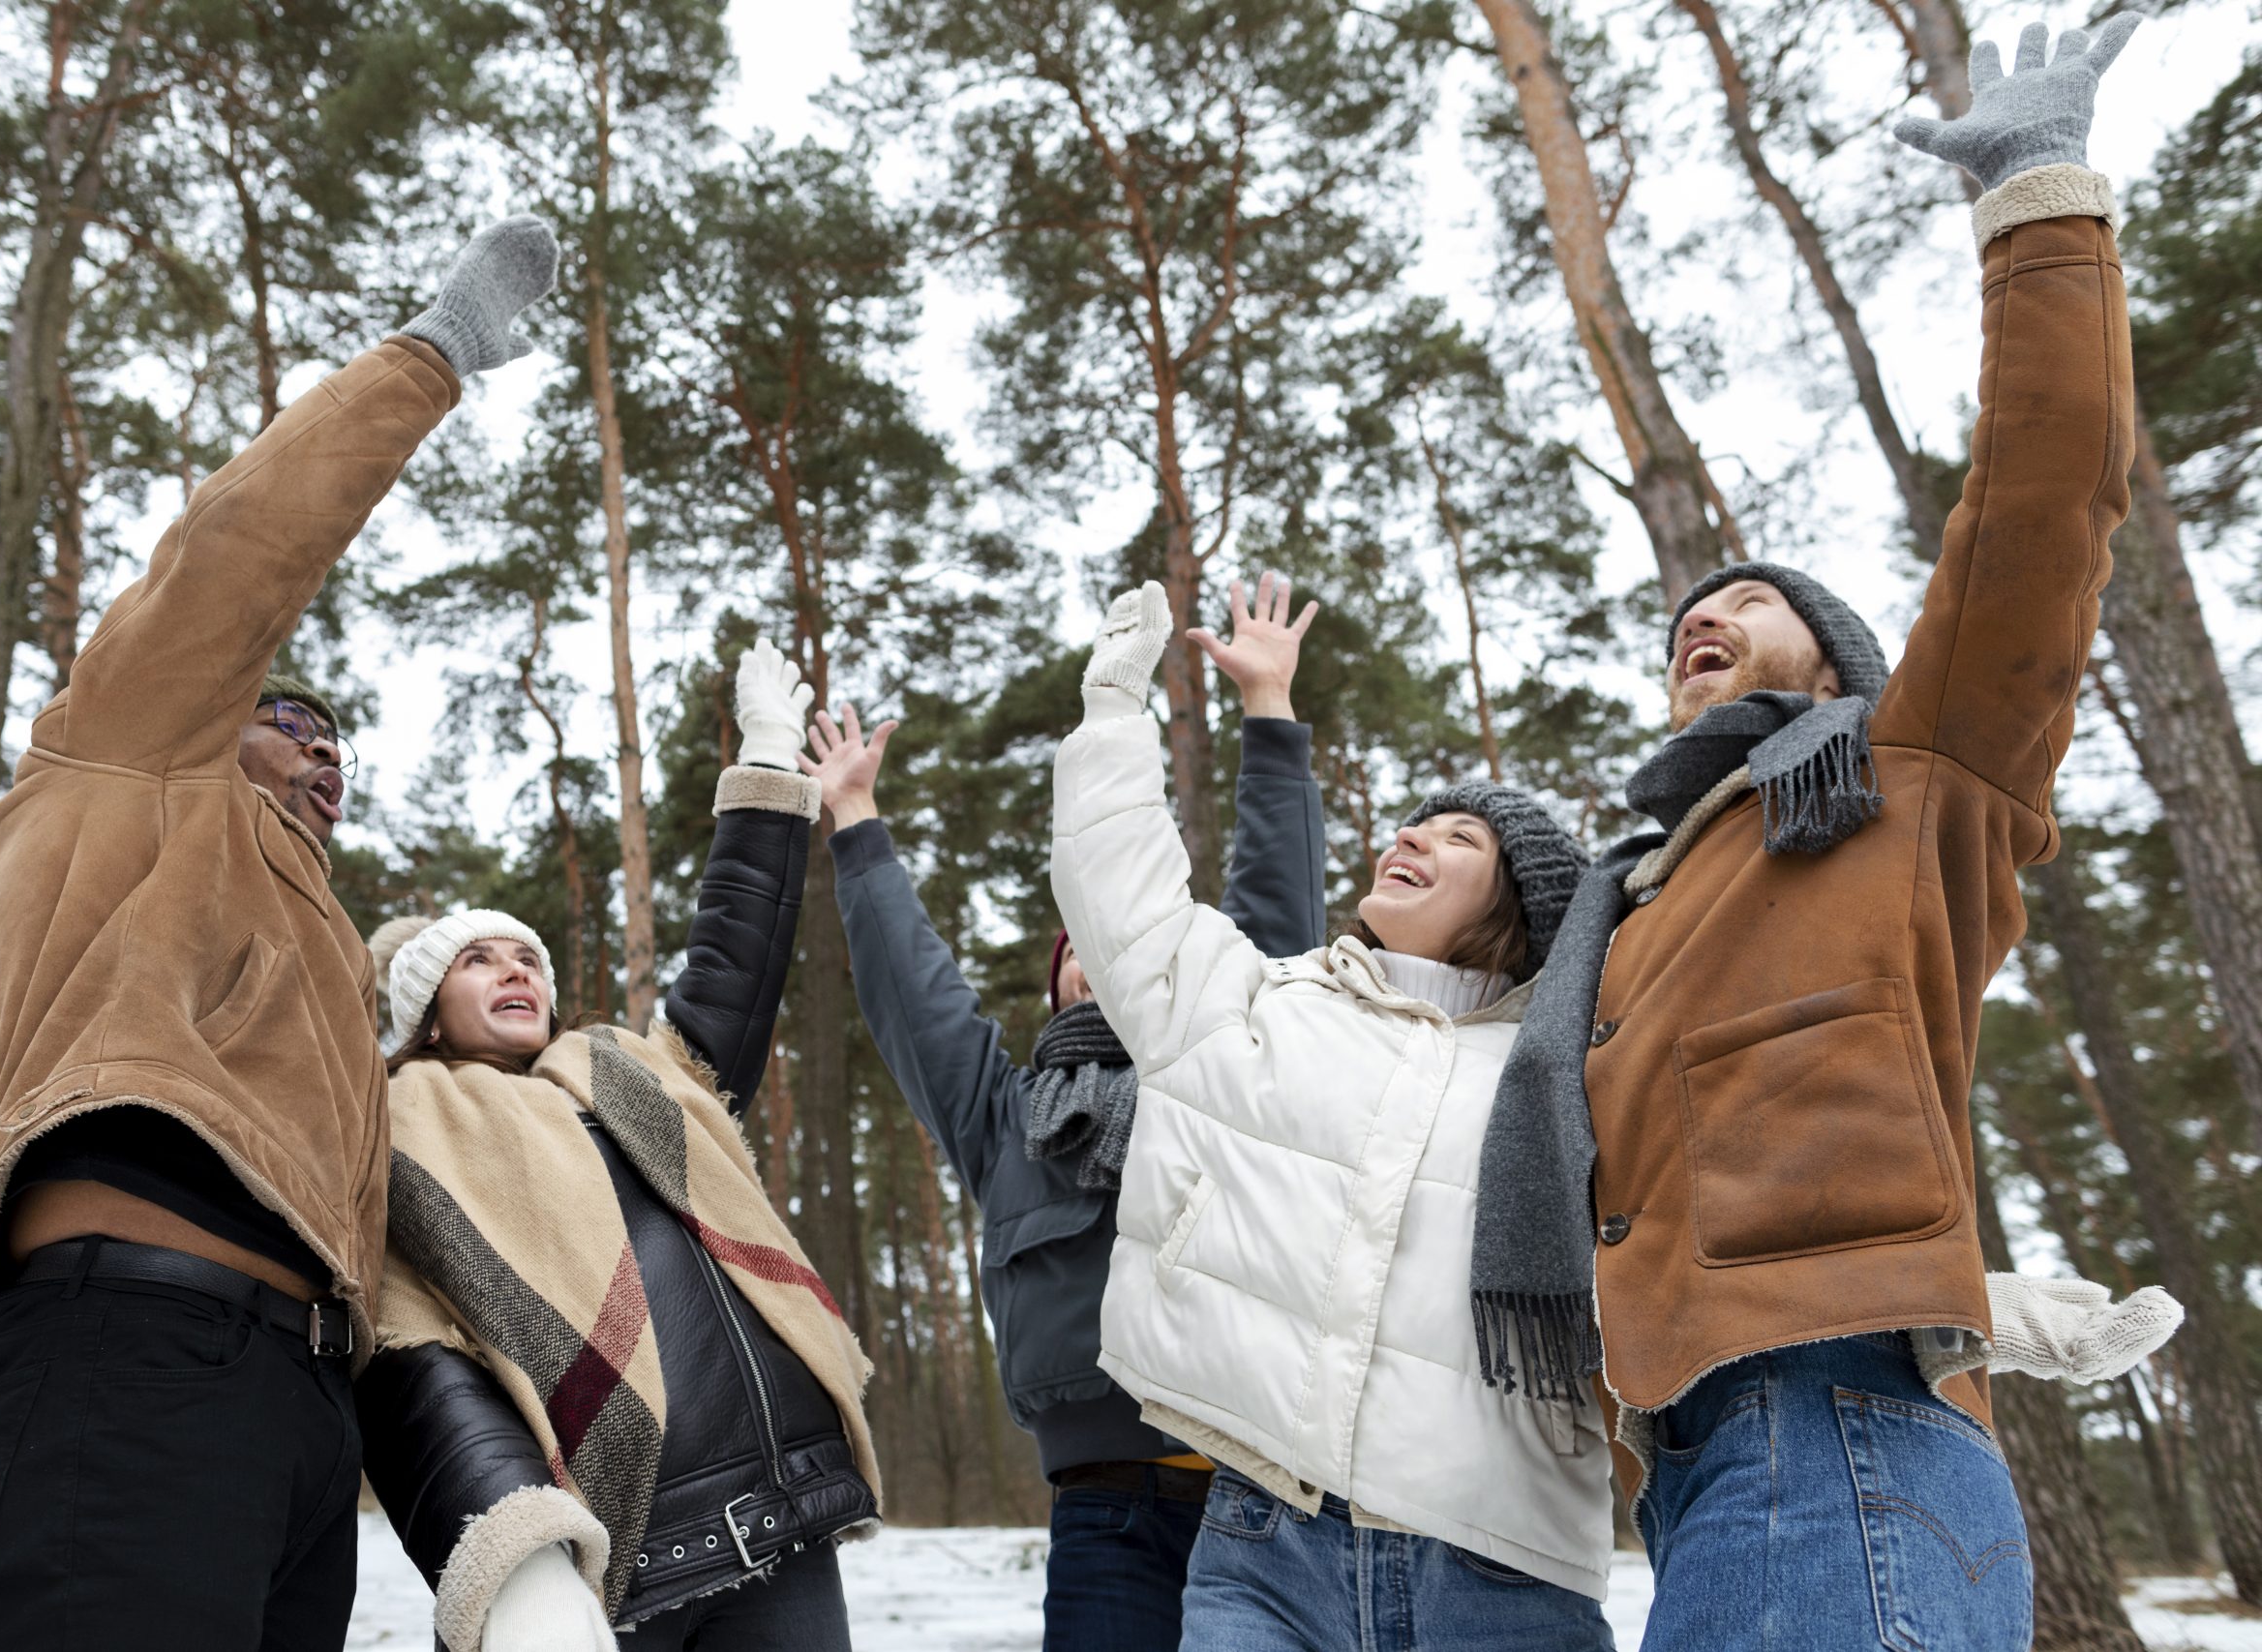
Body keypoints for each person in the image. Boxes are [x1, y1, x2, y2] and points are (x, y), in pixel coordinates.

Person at [1457, 17, 2150, 1649]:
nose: (1702, 624)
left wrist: (2040, 204)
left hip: (1843, 1435)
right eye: (1683, 623)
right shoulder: (1624, 909)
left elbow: (2047, 507)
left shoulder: (1915, 771)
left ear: (1839, 661)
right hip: (1709, 1464)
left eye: (1746, 603)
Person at [0, 217, 560, 1651]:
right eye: (288, 719)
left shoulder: (314, 944)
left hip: (298, 1414)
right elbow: (234, 557)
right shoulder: (127, 769)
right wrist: (426, 362)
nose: (323, 753)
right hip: (123, 1363)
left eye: (340, 744)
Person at [1046, 579, 1617, 1648]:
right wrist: (1114, 713)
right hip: (1268, 1542)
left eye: (1459, 836)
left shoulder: (1568, 1075)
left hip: (1504, 1558)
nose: (1412, 835)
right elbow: (1122, 898)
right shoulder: (1257, 1003)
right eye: (1410, 822)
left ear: (1522, 904)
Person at [804, 573, 1328, 1652]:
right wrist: (854, 820)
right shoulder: (1009, 1119)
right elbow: (917, 999)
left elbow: (1275, 907)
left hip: (1270, 1489)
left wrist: (1267, 712)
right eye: (1078, 947)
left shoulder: (1232, 1050)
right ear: (1056, 983)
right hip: (1108, 1501)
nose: (1105, 956)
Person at [353, 640, 882, 1652]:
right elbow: (415, 1344)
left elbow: (733, 956)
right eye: (477, 959)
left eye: (527, 957)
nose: (514, 968)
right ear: (422, 1012)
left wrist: (769, 760)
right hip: (608, 1545)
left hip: (786, 1514)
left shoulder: (631, 1072)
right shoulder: (401, 1124)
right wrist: (514, 1549)